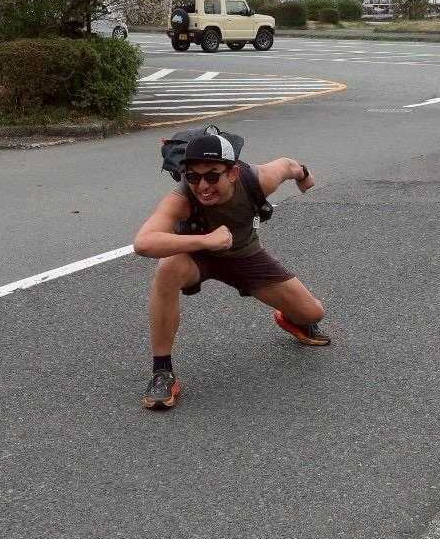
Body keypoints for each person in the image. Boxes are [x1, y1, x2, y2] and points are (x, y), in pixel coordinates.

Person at [132, 130, 327, 409]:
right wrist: (205, 241)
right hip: (197, 258)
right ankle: (162, 371)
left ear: (233, 172)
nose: (203, 186)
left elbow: (287, 165)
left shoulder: (258, 179)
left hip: (245, 256)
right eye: (193, 177)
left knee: (313, 313)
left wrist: (304, 175)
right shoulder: (182, 198)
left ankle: (292, 319)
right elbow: (143, 242)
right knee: (168, 268)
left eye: (212, 176)